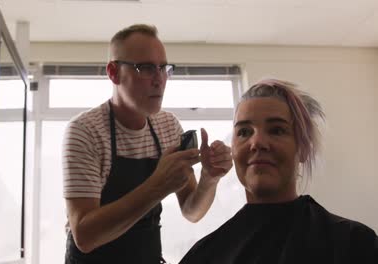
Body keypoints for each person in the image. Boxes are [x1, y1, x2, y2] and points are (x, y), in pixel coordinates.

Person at [62, 24, 233, 264]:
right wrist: (158, 185)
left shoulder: (168, 126)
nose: (160, 79)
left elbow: (191, 211)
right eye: (146, 68)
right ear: (113, 73)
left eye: (163, 68)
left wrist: (209, 179)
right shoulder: (85, 131)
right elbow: (85, 236)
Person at [179, 79, 378, 264]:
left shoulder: (353, 243)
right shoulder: (205, 255)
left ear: (303, 149)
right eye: (244, 132)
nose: (257, 143)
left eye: (276, 130)